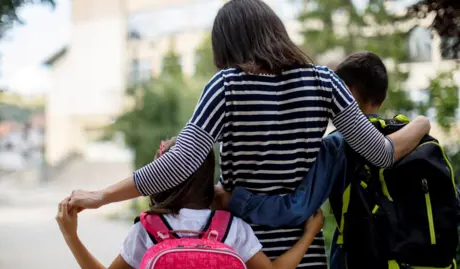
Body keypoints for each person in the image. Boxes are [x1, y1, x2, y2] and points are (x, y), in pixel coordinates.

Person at [66, 1, 430, 268]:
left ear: (227, 44)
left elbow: (180, 163)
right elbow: (381, 153)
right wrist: (421, 124)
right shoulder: (324, 81)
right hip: (307, 251)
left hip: (240, 249)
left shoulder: (226, 86)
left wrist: (102, 195)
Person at [212, 52, 430, 269]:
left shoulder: (338, 145)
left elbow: (297, 208)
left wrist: (233, 200)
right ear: (381, 97)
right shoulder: (408, 137)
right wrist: (422, 122)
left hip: (358, 259)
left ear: (347, 92)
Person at [56, 137, 325, 269]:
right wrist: (309, 234)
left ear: (159, 178)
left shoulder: (148, 230)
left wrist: (71, 236)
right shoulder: (232, 227)